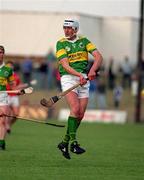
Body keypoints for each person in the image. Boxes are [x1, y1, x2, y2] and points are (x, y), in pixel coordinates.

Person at [56, 19, 103, 159]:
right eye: (65, 28)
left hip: (84, 79)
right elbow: (65, 65)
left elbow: (98, 56)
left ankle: (64, 142)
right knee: (75, 110)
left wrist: (92, 71)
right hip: (69, 78)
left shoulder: (84, 41)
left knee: (80, 115)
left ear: (75, 29)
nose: (66, 30)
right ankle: (74, 144)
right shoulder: (61, 43)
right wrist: (78, 75)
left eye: (69, 28)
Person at [0, 46, 24, 150]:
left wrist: (17, 91)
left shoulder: (8, 70)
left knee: (2, 120)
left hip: (3, 96)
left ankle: (1, 142)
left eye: (1, 52)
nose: (0, 54)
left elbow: (12, 85)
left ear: (3, 54)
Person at [6, 61, 28, 133]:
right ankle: (6, 126)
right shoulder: (4, 76)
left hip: (14, 97)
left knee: (16, 115)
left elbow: (17, 88)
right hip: (6, 96)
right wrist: (22, 86)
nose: (10, 67)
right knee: (7, 113)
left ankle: (9, 124)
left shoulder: (16, 76)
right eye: (8, 66)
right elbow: (13, 88)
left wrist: (21, 90)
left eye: (11, 66)